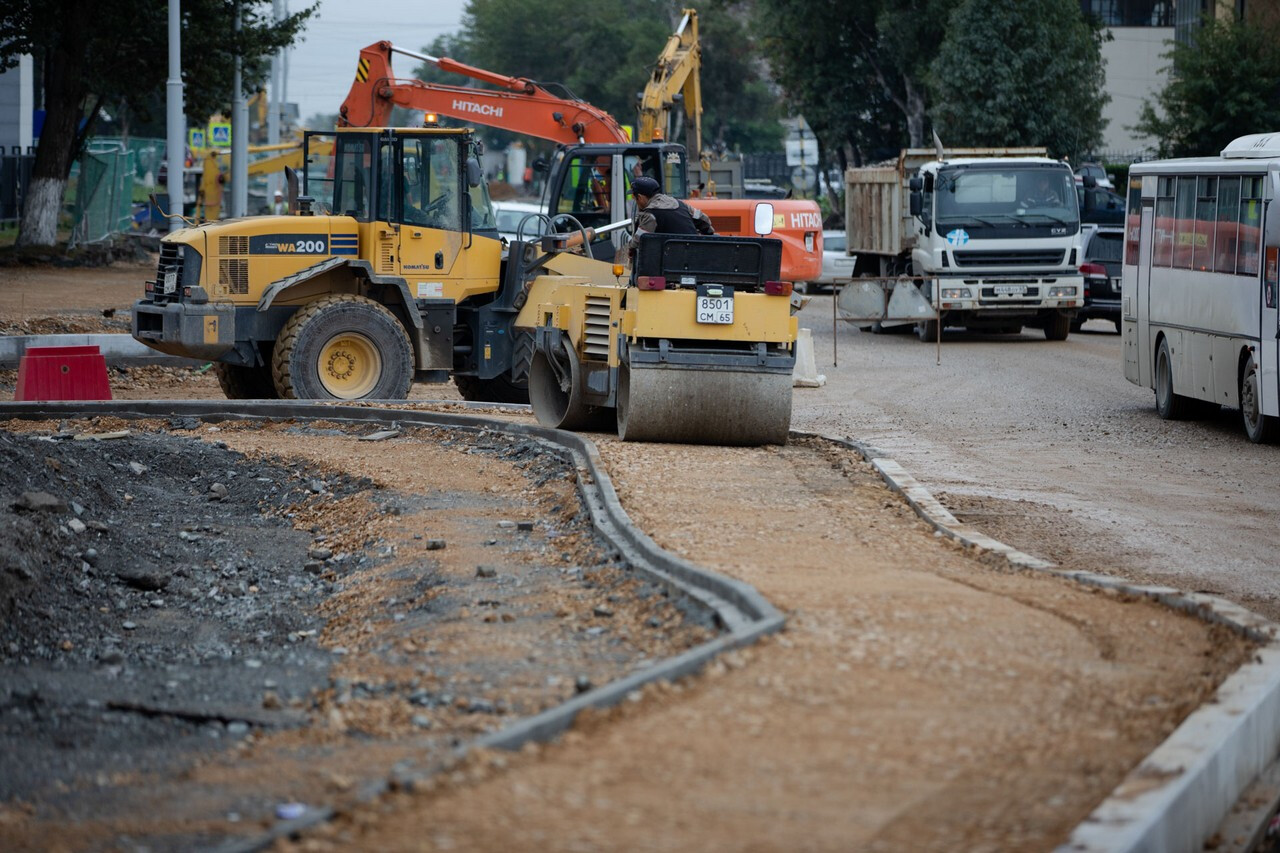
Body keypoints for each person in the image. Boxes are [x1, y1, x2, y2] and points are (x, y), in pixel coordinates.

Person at [626, 176, 714, 261]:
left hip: (670, 262)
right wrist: (708, 234)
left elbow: (639, 240)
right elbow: (704, 220)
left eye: (634, 198)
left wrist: (630, 249)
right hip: (695, 255)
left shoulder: (649, 214)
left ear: (640, 197)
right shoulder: (680, 204)